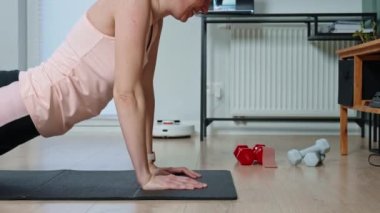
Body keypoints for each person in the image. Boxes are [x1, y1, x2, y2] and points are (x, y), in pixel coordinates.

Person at [0, 0, 211, 190]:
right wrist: (144, 177)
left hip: (32, 110)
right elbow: (125, 94)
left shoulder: (154, 22)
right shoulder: (134, 4)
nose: (206, 8)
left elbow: (143, 90)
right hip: (23, 100)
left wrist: (149, 163)